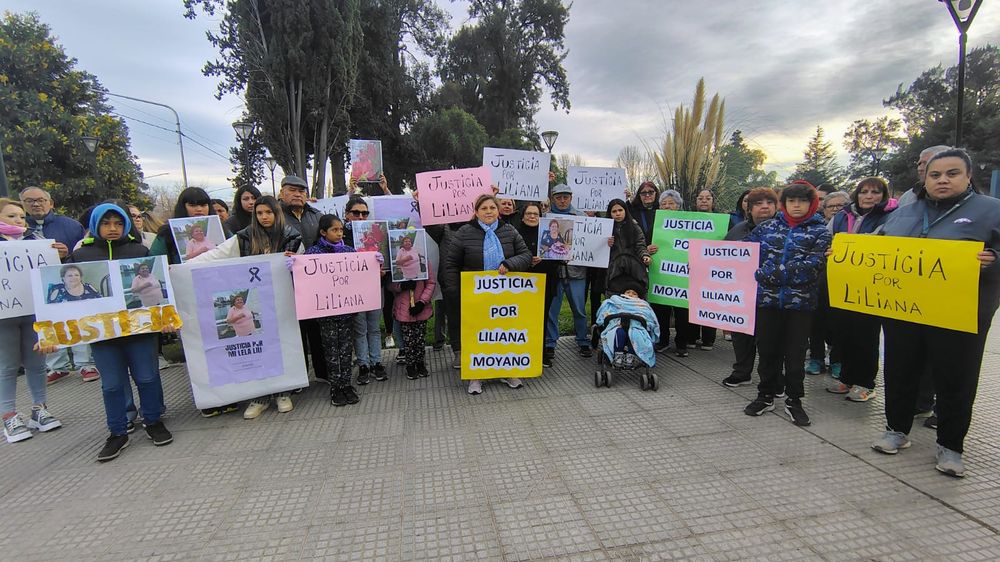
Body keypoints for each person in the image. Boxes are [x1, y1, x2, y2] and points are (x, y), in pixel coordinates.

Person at [871, 148, 1000, 477]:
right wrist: (844, 250)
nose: (943, 180)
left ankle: (951, 446)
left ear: (968, 176)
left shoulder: (991, 211)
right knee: (900, 370)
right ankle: (896, 430)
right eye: (935, 174)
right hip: (905, 310)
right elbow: (875, 246)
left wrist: (994, 259)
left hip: (960, 313)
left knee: (956, 377)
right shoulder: (904, 212)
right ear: (924, 179)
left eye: (952, 173)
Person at [66, 203, 173, 461]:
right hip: (103, 334)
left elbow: (161, 289)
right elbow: (68, 300)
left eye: (117, 223)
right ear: (95, 225)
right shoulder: (81, 257)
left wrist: (166, 317)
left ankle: (153, 421)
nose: (112, 229)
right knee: (112, 385)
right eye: (106, 223)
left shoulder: (139, 251)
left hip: (140, 330)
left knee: (147, 377)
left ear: (126, 224)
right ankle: (117, 432)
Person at [190, 196, 303, 418]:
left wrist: (296, 262)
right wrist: (183, 268)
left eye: (268, 212)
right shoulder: (243, 238)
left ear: (276, 213)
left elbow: (305, 265)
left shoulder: (292, 237)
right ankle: (259, 396)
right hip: (255, 298)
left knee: (281, 345)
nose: (264, 217)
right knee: (257, 347)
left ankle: (283, 391)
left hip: (283, 302)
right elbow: (216, 255)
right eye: (259, 213)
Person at [743, 181, 831, 427]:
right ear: (784, 204)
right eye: (792, 201)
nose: (797, 206)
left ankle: (794, 399)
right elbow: (743, 254)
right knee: (768, 351)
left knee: (794, 356)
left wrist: (767, 274)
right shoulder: (767, 228)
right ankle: (766, 394)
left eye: (802, 201)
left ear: (811, 203)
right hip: (767, 302)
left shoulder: (820, 231)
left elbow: (812, 267)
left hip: (799, 306)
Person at [443, 194, 532, 394]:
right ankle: (476, 376)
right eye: (484, 208)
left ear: (498, 211)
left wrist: (510, 264)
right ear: (476, 212)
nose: (489, 211)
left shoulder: (509, 231)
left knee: (503, 333)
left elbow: (525, 255)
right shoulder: (464, 233)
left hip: (505, 295)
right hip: (475, 296)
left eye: (492, 207)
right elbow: (451, 265)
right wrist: (455, 292)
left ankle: (509, 371)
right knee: (478, 335)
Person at [825, 177, 897, 402]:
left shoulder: (890, 217)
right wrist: (828, 251)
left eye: (875, 192)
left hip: (872, 285)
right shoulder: (841, 216)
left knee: (866, 336)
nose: (869, 196)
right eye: (864, 191)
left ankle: (866, 383)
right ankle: (847, 378)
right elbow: (827, 240)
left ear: (883, 195)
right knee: (843, 333)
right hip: (843, 283)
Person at [0, 199, 63, 443]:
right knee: (7, 366)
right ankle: (9, 415)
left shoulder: (35, 242)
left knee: (37, 361)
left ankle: (39, 408)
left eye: (20, 217)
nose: (18, 221)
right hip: (4, 316)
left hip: (33, 312)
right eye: (11, 216)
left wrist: (57, 253)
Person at [20, 187, 95, 384]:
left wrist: (67, 253)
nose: (36, 204)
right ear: (22, 204)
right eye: (29, 201)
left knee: (78, 318)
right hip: (37, 284)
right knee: (48, 322)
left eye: (41, 200)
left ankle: (86, 363)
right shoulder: (18, 229)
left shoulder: (70, 226)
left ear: (51, 203)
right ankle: (56, 366)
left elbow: (82, 253)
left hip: (70, 278)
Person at [721, 187, 777, 388]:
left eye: (769, 203)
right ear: (749, 208)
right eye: (758, 204)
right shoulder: (738, 230)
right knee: (741, 335)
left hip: (772, 295)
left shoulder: (785, 229)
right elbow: (720, 256)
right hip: (741, 293)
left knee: (769, 340)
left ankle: (772, 380)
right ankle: (742, 372)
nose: (764, 207)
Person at [304, 215, 361, 406]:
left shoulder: (349, 251)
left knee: (346, 349)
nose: (339, 234)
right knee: (331, 349)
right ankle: (336, 387)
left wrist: (373, 263)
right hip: (326, 314)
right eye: (334, 230)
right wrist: (294, 267)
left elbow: (359, 275)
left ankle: (347, 384)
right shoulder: (312, 254)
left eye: (341, 230)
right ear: (323, 232)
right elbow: (305, 279)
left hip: (346, 312)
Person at [342, 196, 388, 384]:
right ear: (347, 215)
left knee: (374, 328)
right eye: (356, 213)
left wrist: (383, 267)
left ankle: (377, 362)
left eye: (365, 213)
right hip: (354, 290)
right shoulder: (341, 237)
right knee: (360, 329)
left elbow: (385, 254)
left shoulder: (375, 233)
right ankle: (363, 365)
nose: (361, 217)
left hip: (375, 287)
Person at [805, 190, 850, 377]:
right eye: (831, 206)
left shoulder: (852, 227)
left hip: (844, 281)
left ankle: (837, 360)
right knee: (816, 321)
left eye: (840, 206)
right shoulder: (816, 228)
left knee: (839, 323)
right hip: (819, 280)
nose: (835, 209)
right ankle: (816, 358)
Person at [544, 184, 590, 366]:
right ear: (553, 198)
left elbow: (592, 241)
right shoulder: (544, 217)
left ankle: (583, 341)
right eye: (558, 197)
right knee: (552, 310)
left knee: (579, 308)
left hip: (576, 271)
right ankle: (549, 343)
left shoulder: (582, 217)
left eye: (565, 197)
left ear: (571, 198)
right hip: (554, 271)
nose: (562, 200)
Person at [515, 202, 559, 366]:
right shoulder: (515, 233)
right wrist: (526, 261)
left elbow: (560, 257)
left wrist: (546, 257)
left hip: (546, 282)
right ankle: (521, 352)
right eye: (529, 214)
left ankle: (540, 353)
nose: (532, 217)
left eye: (535, 214)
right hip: (521, 283)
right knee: (522, 319)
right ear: (523, 216)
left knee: (542, 318)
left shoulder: (550, 234)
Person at [650, 190, 692, 356]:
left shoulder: (689, 223)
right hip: (661, 273)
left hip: (682, 274)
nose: (667, 206)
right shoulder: (656, 223)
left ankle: (682, 343)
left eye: (671, 203)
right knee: (660, 308)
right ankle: (663, 340)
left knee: (682, 310)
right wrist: (648, 248)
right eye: (663, 204)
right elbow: (645, 243)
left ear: (678, 205)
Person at [687, 188, 728, 350]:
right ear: (695, 201)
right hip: (692, 267)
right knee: (692, 301)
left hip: (713, 268)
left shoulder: (723, 220)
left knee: (709, 301)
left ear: (713, 201)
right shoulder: (687, 219)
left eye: (708, 198)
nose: (704, 201)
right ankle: (692, 336)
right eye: (700, 198)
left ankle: (708, 338)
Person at [389, 260, 436, 380]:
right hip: (405, 309)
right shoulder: (397, 262)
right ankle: (410, 364)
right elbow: (391, 284)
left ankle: (420, 362)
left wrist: (422, 302)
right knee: (409, 340)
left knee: (420, 338)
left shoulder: (423, 262)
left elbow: (430, 282)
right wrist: (401, 286)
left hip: (421, 307)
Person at [150, 187, 218, 265]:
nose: (199, 209)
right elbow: (155, 262)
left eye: (203, 205)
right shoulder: (166, 234)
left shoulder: (222, 231)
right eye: (192, 205)